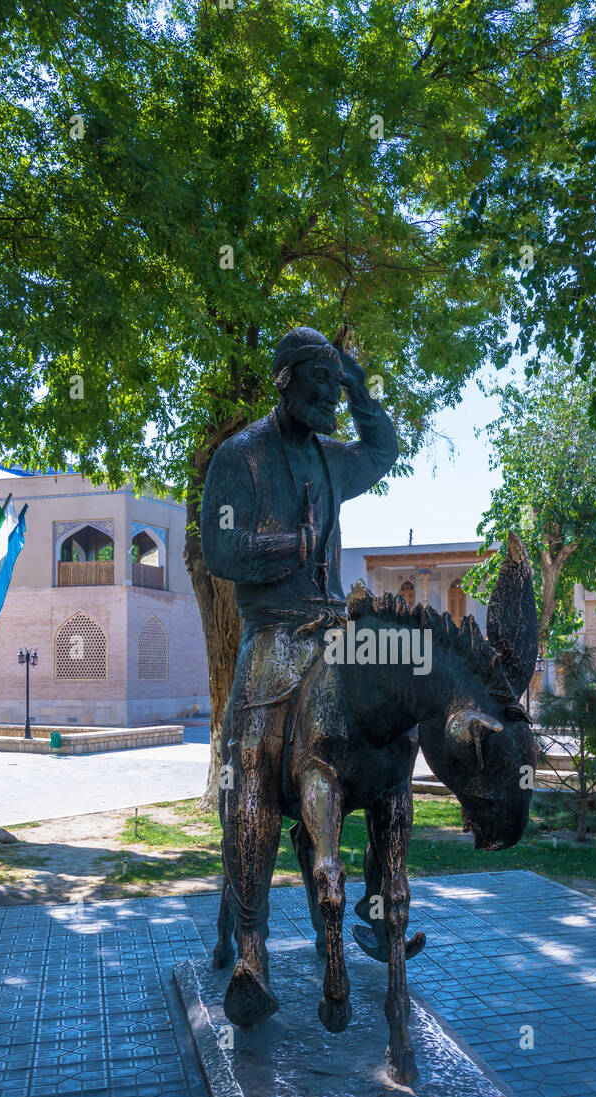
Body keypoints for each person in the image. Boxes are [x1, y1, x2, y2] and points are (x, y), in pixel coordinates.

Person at [200, 326, 399, 1023]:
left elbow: (383, 449)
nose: (329, 397)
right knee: (252, 764)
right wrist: (293, 542)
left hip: (331, 633)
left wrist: (358, 381)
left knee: (387, 747)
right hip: (271, 633)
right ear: (284, 379)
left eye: (333, 385)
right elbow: (221, 546)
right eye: (319, 382)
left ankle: (374, 909)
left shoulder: (332, 458)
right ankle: (253, 951)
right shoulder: (240, 456)